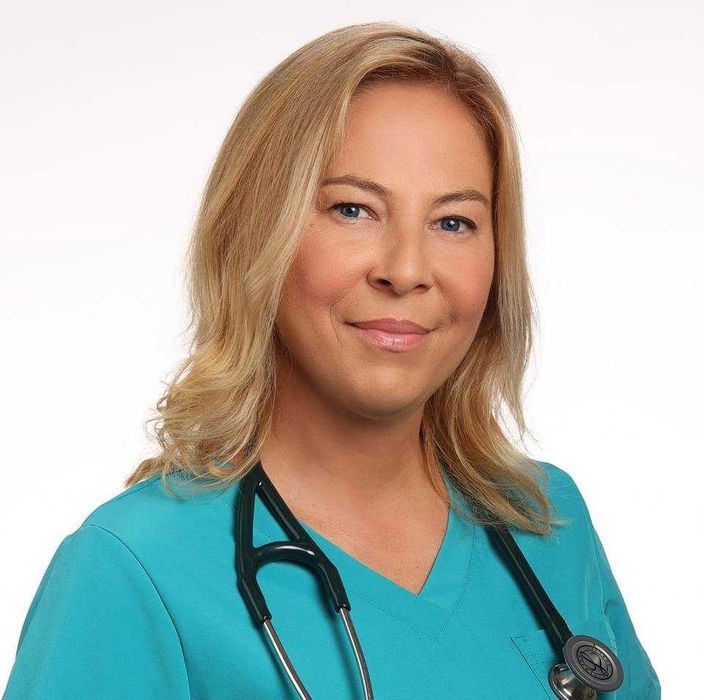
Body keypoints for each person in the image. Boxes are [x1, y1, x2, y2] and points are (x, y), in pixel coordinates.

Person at [3, 21, 660, 699]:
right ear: (257, 233)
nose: (407, 270)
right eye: (353, 209)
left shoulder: (547, 522)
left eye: (453, 222)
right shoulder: (133, 569)